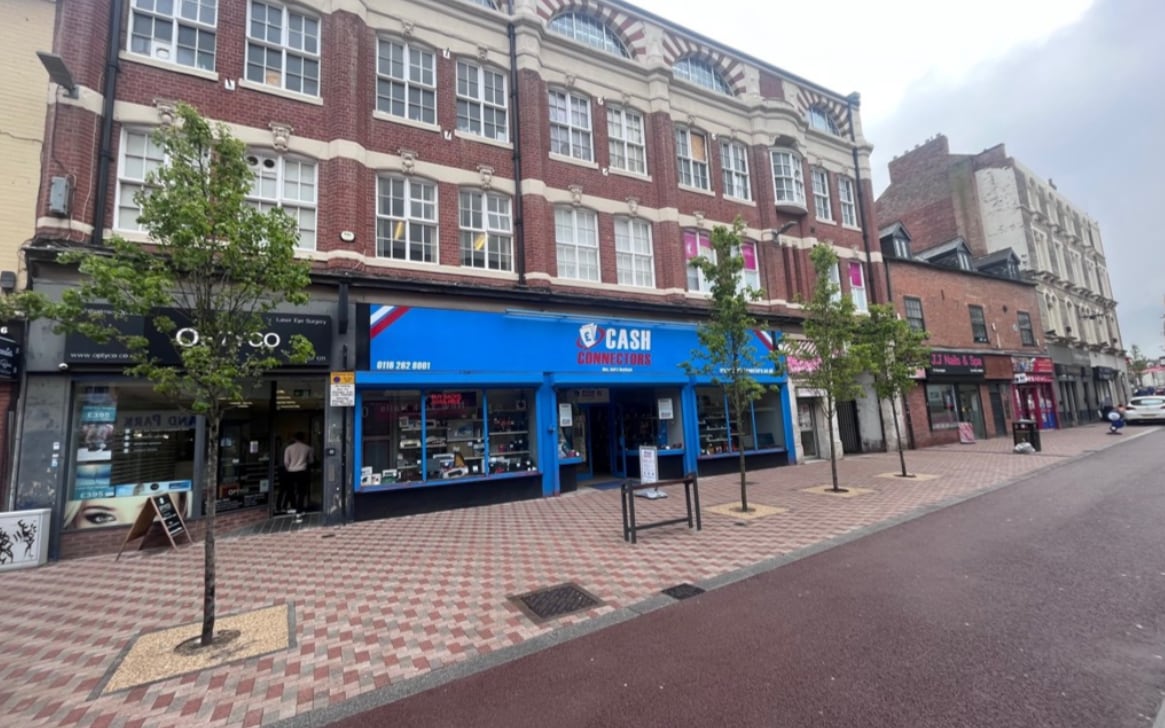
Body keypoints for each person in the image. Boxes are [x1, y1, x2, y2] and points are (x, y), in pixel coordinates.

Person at [282, 432, 314, 512]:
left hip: (291, 471)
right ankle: (300, 508)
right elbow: (311, 461)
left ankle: (293, 506)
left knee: (290, 490)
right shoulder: (307, 448)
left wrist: (288, 468)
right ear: (303, 438)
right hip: (302, 471)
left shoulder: (288, 448)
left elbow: (286, 462)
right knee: (301, 491)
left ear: (295, 438)